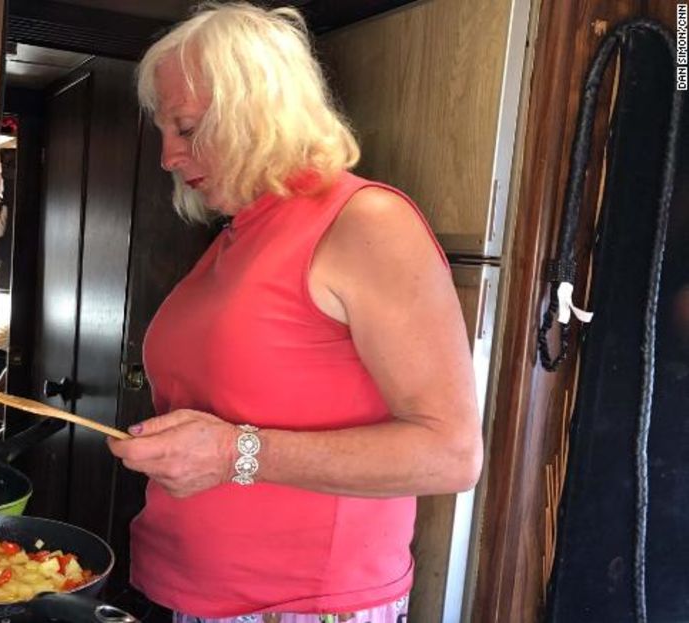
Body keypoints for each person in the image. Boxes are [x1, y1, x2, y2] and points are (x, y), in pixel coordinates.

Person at [105, 3, 483, 622]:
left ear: (256, 110)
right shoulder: (239, 235)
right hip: (185, 592)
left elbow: (450, 454)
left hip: (297, 607)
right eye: (165, 130)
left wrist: (234, 453)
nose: (169, 156)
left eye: (188, 126)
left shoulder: (365, 222)